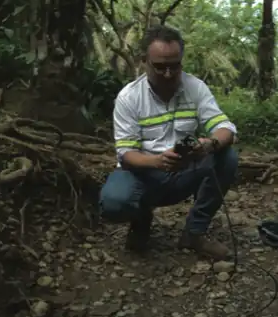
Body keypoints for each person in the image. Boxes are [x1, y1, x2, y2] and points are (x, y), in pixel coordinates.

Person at [98, 25, 239, 260]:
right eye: (160, 67)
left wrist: (209, 144)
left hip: (184, 170)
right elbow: (126, 153)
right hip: (145, 173)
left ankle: (195, 232)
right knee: (114, 202)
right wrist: (156, 161)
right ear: (144, 61)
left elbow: (227, 129)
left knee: (227, 156)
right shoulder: (129, 97)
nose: (168, 74)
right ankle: (141, 219)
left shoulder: (195, 87)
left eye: (174, 66)